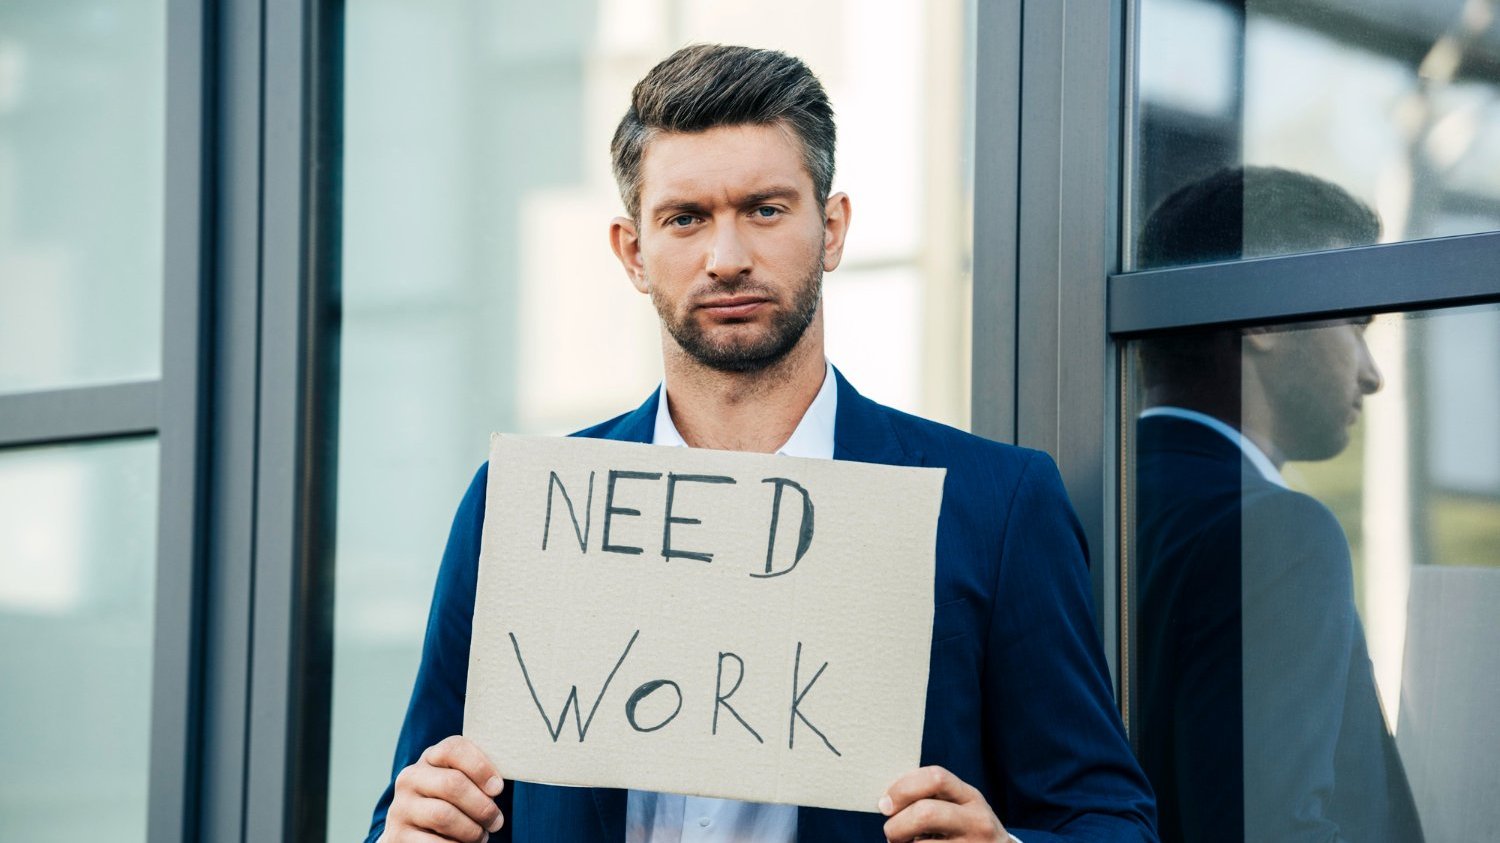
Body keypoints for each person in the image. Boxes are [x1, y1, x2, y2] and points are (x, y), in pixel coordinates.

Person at [367, 44, 1157, 843]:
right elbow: (421, 806)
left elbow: (1110, 820)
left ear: (833, 229)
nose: (728, 257)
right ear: (633, 252)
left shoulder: (996, 505)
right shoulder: (519, 510)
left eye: (766, 208)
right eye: (686, 218)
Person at [1133, 166, 1424, 843]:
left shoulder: (1066, 504)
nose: (1371, 372)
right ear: (1263, 314)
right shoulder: (1277, 533)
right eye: (1356, 322)